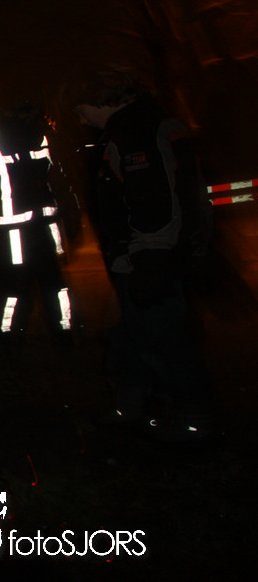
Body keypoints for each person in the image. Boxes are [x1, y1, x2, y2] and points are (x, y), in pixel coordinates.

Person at [74, 70, 217, 441]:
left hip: (153, 259)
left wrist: (149, 256)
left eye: (82, 107)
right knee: (125, 335)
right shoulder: (134, 128)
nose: (81, 116)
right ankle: (134, 407)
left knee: (163, 340)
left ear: (104, 98)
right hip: (139, 257)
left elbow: (155, 200)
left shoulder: (139, 132)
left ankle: (193, 420)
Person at [0, 99, 74, 343]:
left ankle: (61, 330)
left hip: (40, 227)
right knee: (18, 286)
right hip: (12, 232)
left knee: (48, 284)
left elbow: (58, 179)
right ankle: (10, 334)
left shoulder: (43, 138)